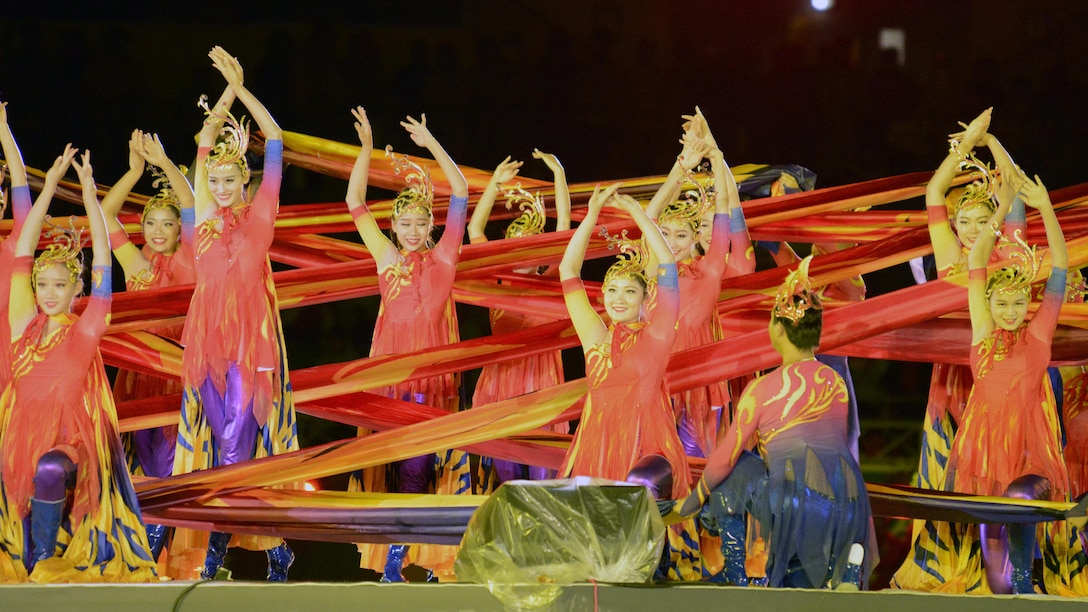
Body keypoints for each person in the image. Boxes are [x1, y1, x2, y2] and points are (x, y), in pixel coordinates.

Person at [667, 255, 875, 588]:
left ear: (778, 329)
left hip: (791, 505)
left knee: (733, 470)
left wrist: (691, 502)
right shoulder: (836, 384)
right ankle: (846, 564)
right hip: (849, 506)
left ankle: (738, 578)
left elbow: (723, 459)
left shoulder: (762, 388)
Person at [0, 149, 158, 582]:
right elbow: (22, 253)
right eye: (43, 285)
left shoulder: (84, 330)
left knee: (49, 470)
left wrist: (90, 198)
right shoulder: (22, 327)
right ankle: (26, 552)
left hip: (69, 443)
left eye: (60, 286)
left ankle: (43, 560)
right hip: (18, 439)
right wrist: (47, 187)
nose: (49, 294)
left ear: (76, 290)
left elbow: (105, 265)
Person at [174, 47, 297, 581]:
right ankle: (274, 550)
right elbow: (203, 143)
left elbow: (275, 141)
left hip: (250, 344)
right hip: (204, 345)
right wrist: (222, 97)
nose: (221, 190)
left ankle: (216, 553)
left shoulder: (262, 217)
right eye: (215, 181)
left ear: (246, 182)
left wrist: (243, 88)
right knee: (231, 450)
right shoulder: (200, 222)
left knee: (232, 444)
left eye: (230, 181)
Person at [343, 106, 469, 582]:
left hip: (430, 386)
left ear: (431, 225)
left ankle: (403, 557)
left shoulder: (444, 260)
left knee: (421, 470)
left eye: (421, 223)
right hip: (389, 384)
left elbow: (460, 190)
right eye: (405, 224)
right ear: (394, 226)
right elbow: (354, 200)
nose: (413, 231)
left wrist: (431, 141)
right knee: (397, 470)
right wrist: (367, 149)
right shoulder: (386, 259)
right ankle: (413, 554)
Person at [559, 183, 699, 580]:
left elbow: (668, 267)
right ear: (602, 295)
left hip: (648, 451)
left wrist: (639, 213)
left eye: (630, 292)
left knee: (636, 491)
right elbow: (568, 271)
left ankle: (651, 565)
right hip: (597, 450)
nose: (619, 299)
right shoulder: (595, 340)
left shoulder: (656, 337)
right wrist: (590, 217)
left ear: (645, 298)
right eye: (613, 291)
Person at [100, 130, 196, 563]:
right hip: (138, 376)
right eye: (151, 223)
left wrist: (166, 166)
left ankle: (156, 552)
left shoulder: (193, 259)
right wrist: (135, 172)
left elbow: (192, 204)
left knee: (166, 466)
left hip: (177, 375)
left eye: (168, 223)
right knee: (132, 463)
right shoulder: (135, 265)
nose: (158, 232)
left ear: (180, 229)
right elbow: (104, 215)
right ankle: (140, 548)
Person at [644, 111, 750, 458]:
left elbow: (724, 204)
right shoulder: (652, 273)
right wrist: (682, 166)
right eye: (667, 234)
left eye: (681, 234)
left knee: (700, 472)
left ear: (696, 239)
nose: (671, 241)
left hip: (702, 389)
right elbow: (649, 216)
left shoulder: (710, 270)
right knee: (656, 470)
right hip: (658, 382)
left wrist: (717, 157)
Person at [468, 151, 569, 487]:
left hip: (542, 380)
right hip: (502, 384)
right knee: (506, 478)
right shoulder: (494, 278)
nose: (522, 253)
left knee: (543, 477)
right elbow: (474, 228)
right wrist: (493, 185)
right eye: (514, 246)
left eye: (530, 246)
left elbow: (565, 231)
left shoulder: (552, 276)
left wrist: (559, 177)